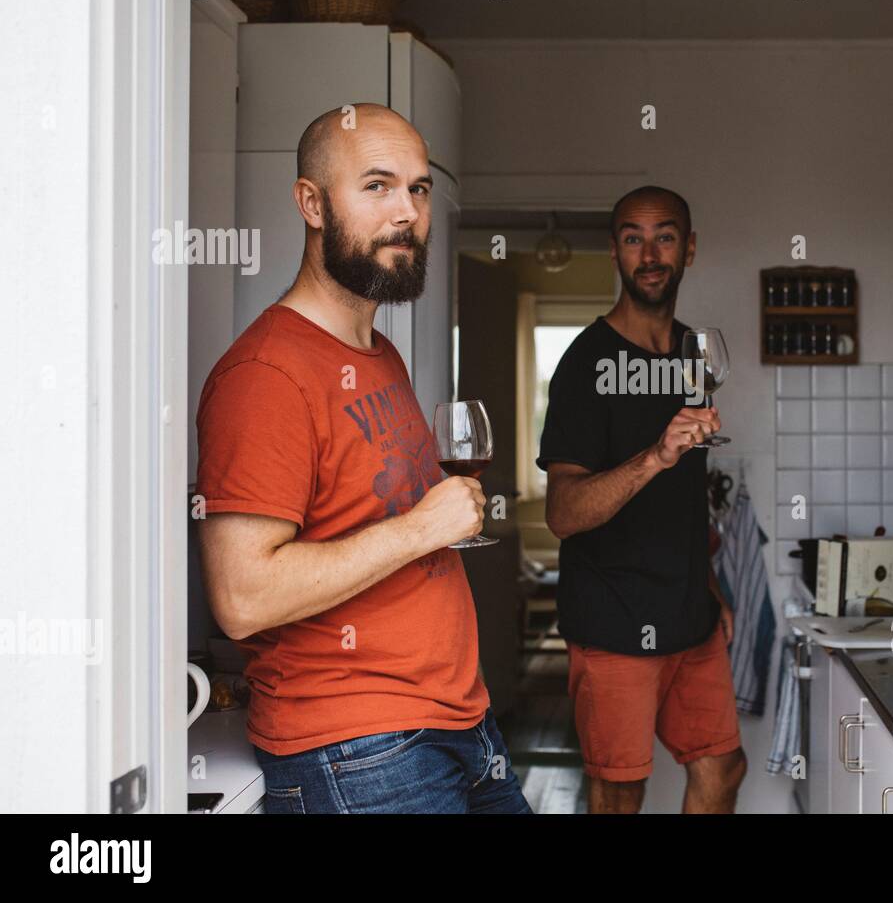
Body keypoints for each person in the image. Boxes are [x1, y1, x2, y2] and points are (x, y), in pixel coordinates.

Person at [195, 103, 530, 814]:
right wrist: (420, 528)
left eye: (418, 188)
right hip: (360, 748)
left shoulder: (381, 356)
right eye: (376, 185)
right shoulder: (266, 374)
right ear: (311, 204)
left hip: (457, 725)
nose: (405, 211)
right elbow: (243, 598)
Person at [538, 185, 747, 813]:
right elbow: (562, 514)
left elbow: (684, 496)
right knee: (619, 791)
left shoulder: (693, 354)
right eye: (633, 237)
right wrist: (654, 456)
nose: (650, 253)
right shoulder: (584, 363)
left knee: (723, 769)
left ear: (689, 248)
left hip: (689, 613)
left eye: (664, 236)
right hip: (614, 618)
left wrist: (705, 578)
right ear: (614, 252)